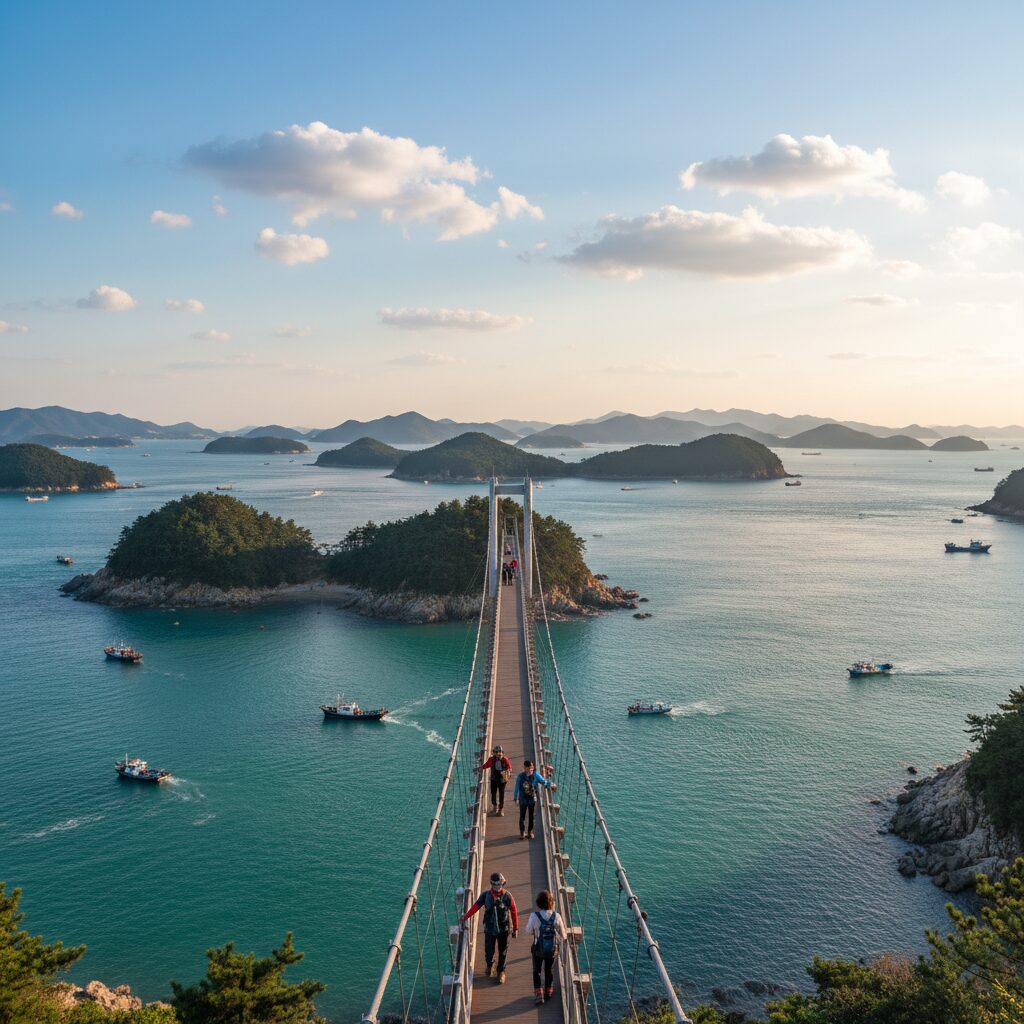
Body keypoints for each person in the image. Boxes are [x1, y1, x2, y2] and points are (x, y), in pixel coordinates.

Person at [460, 871, 518, 984]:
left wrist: (515, 928)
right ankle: (490, 964)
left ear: (502, 884)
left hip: (504, 928)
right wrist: (465, 916)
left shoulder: (507, 896)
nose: (497, 887)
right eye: (495, 884)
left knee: (503, 951)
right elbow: (476, 906)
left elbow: (514, 911)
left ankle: (501, 971)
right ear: (491, 884)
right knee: (489, 950)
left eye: (499, 884)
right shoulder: (485, 896)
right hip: (490, 928)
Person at [525, 889, 567, 1004]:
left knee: (537, 971)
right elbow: (563, 935)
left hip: (538, 949)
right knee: (549, 970)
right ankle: (548, 991)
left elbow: (527, 931)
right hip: (552, 950)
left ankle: (539, 994)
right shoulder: (556, 916)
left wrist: (535, 930)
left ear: (539, 903)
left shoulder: (534, 916)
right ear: (551, 903)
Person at [513, 759, 552, 839]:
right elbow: (516, 787)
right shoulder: (520, 776)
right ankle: (522, 833)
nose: (532, 768)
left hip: (531, 800)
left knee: (531, 816)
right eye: (530, 766)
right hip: (523, 800)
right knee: (522, 816)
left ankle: (530, 832)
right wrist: (515, 797)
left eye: (532, 766)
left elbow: (544, 783)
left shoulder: (535, 775)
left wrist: (548, 779)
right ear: (525, 767)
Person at [479, 744, 512, 815]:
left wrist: (507, 773)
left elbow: (510, 767)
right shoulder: (491, 759)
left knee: (501, 794)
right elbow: (487, 765)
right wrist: (480, 768)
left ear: (502, 752)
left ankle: (501, 809)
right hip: (494, 779)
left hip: (502, 780)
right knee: (493, 793)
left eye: (499, 752)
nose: (498, 753)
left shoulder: (505, 759)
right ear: (494, 753)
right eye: (496, 752)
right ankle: (495, 807)